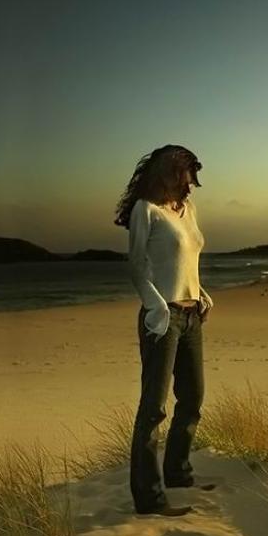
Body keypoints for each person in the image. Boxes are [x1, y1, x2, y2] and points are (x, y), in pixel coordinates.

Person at [114, 144, 214, 516]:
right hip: (162, 319)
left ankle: (178, 473)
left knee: (192, 399)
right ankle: (149, 497)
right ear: (169, 174)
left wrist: (199, 293)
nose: (191, 187)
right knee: (153, 409)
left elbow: (186, 258)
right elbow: (138, 267)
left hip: (191, 317)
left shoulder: (187, 210)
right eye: (186, 178)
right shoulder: (146, 211)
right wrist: (157, 307)